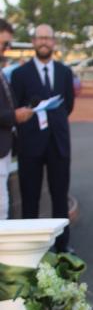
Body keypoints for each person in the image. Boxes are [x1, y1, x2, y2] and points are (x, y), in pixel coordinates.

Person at [10, 24, 75, 250]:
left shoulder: (65, 72)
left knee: (59, 197)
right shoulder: (20, 74)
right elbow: (14, 108)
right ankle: (32, 248)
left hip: (58, 144)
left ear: (54, 42)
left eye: (48, 38)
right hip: (30, 146)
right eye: (40, 38)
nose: (44, 42)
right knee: (30, 198)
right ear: (33, 42)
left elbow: (68, 105)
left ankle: (62, 247)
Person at [0, 20, 33, 218]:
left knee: (3, 210)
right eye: (4, 43)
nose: (7, 48)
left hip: (5, 149)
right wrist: (14, 116)